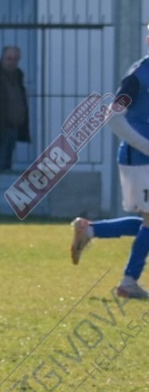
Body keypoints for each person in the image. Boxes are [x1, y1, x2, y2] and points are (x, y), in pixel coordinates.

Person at [69, 42, 149, 299]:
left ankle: (91, 230)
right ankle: (128, 282)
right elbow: (113, 116)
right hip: (139, 159)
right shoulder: (138, 76)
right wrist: (146, 146)